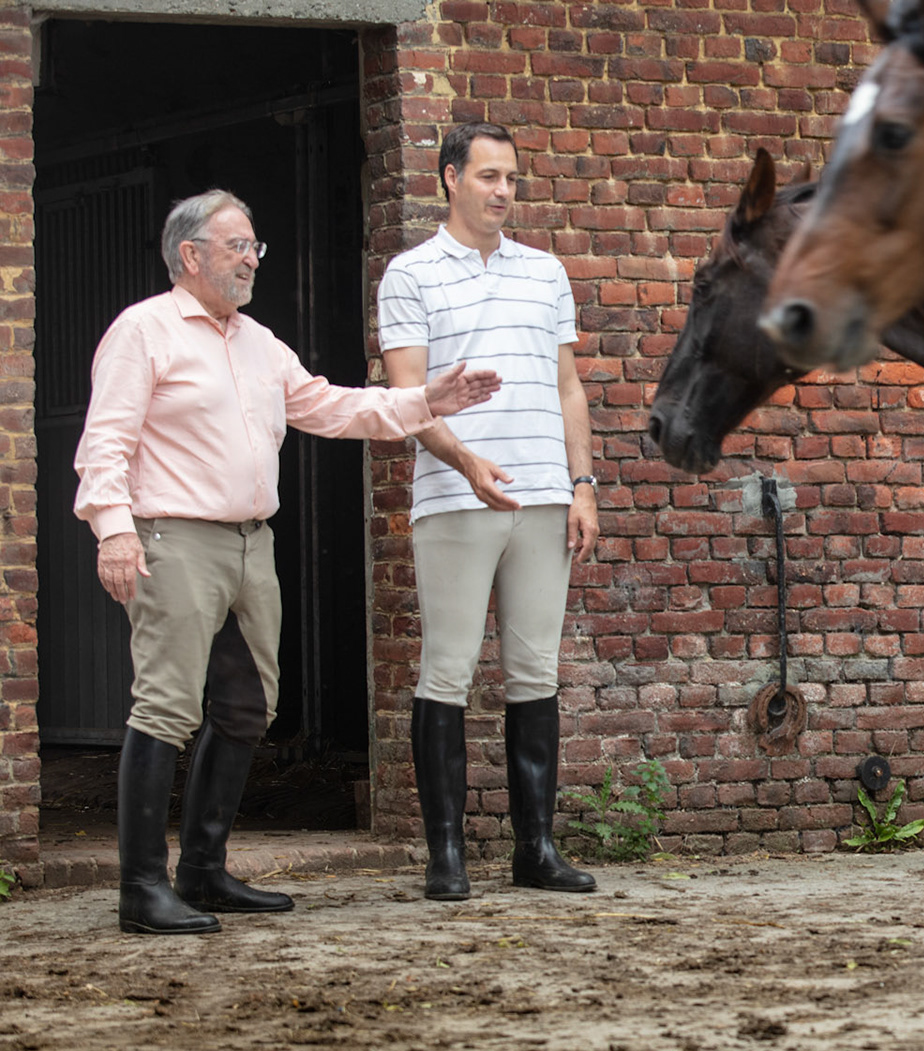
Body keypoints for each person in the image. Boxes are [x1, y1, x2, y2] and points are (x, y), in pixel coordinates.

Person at [75, 189, 501, 935]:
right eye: (237, 245)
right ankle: (142, 888)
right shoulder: (143, 331)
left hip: (252, 543)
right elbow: (105, 440)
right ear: (191, 255)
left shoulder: (259, 342)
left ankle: (203, 870)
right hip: (172, 537)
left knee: (248, 707)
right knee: (167, 706)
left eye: (254, 247)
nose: (250, 259)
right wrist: (115, 530)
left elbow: (332, 407)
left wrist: (425, 401)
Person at [377, 122, 600, 901]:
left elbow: (568, 385)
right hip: (454, 498)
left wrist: (582, 483)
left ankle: (535, 849)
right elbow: (408, 395)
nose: (502, 191)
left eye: (511, 178)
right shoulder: (409, 275)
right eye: (488, 176)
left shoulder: (546, 273)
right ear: (449, 178)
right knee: (448, 668)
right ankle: (446, 855)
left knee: (535, 670)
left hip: (543, 495)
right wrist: (467, 462)